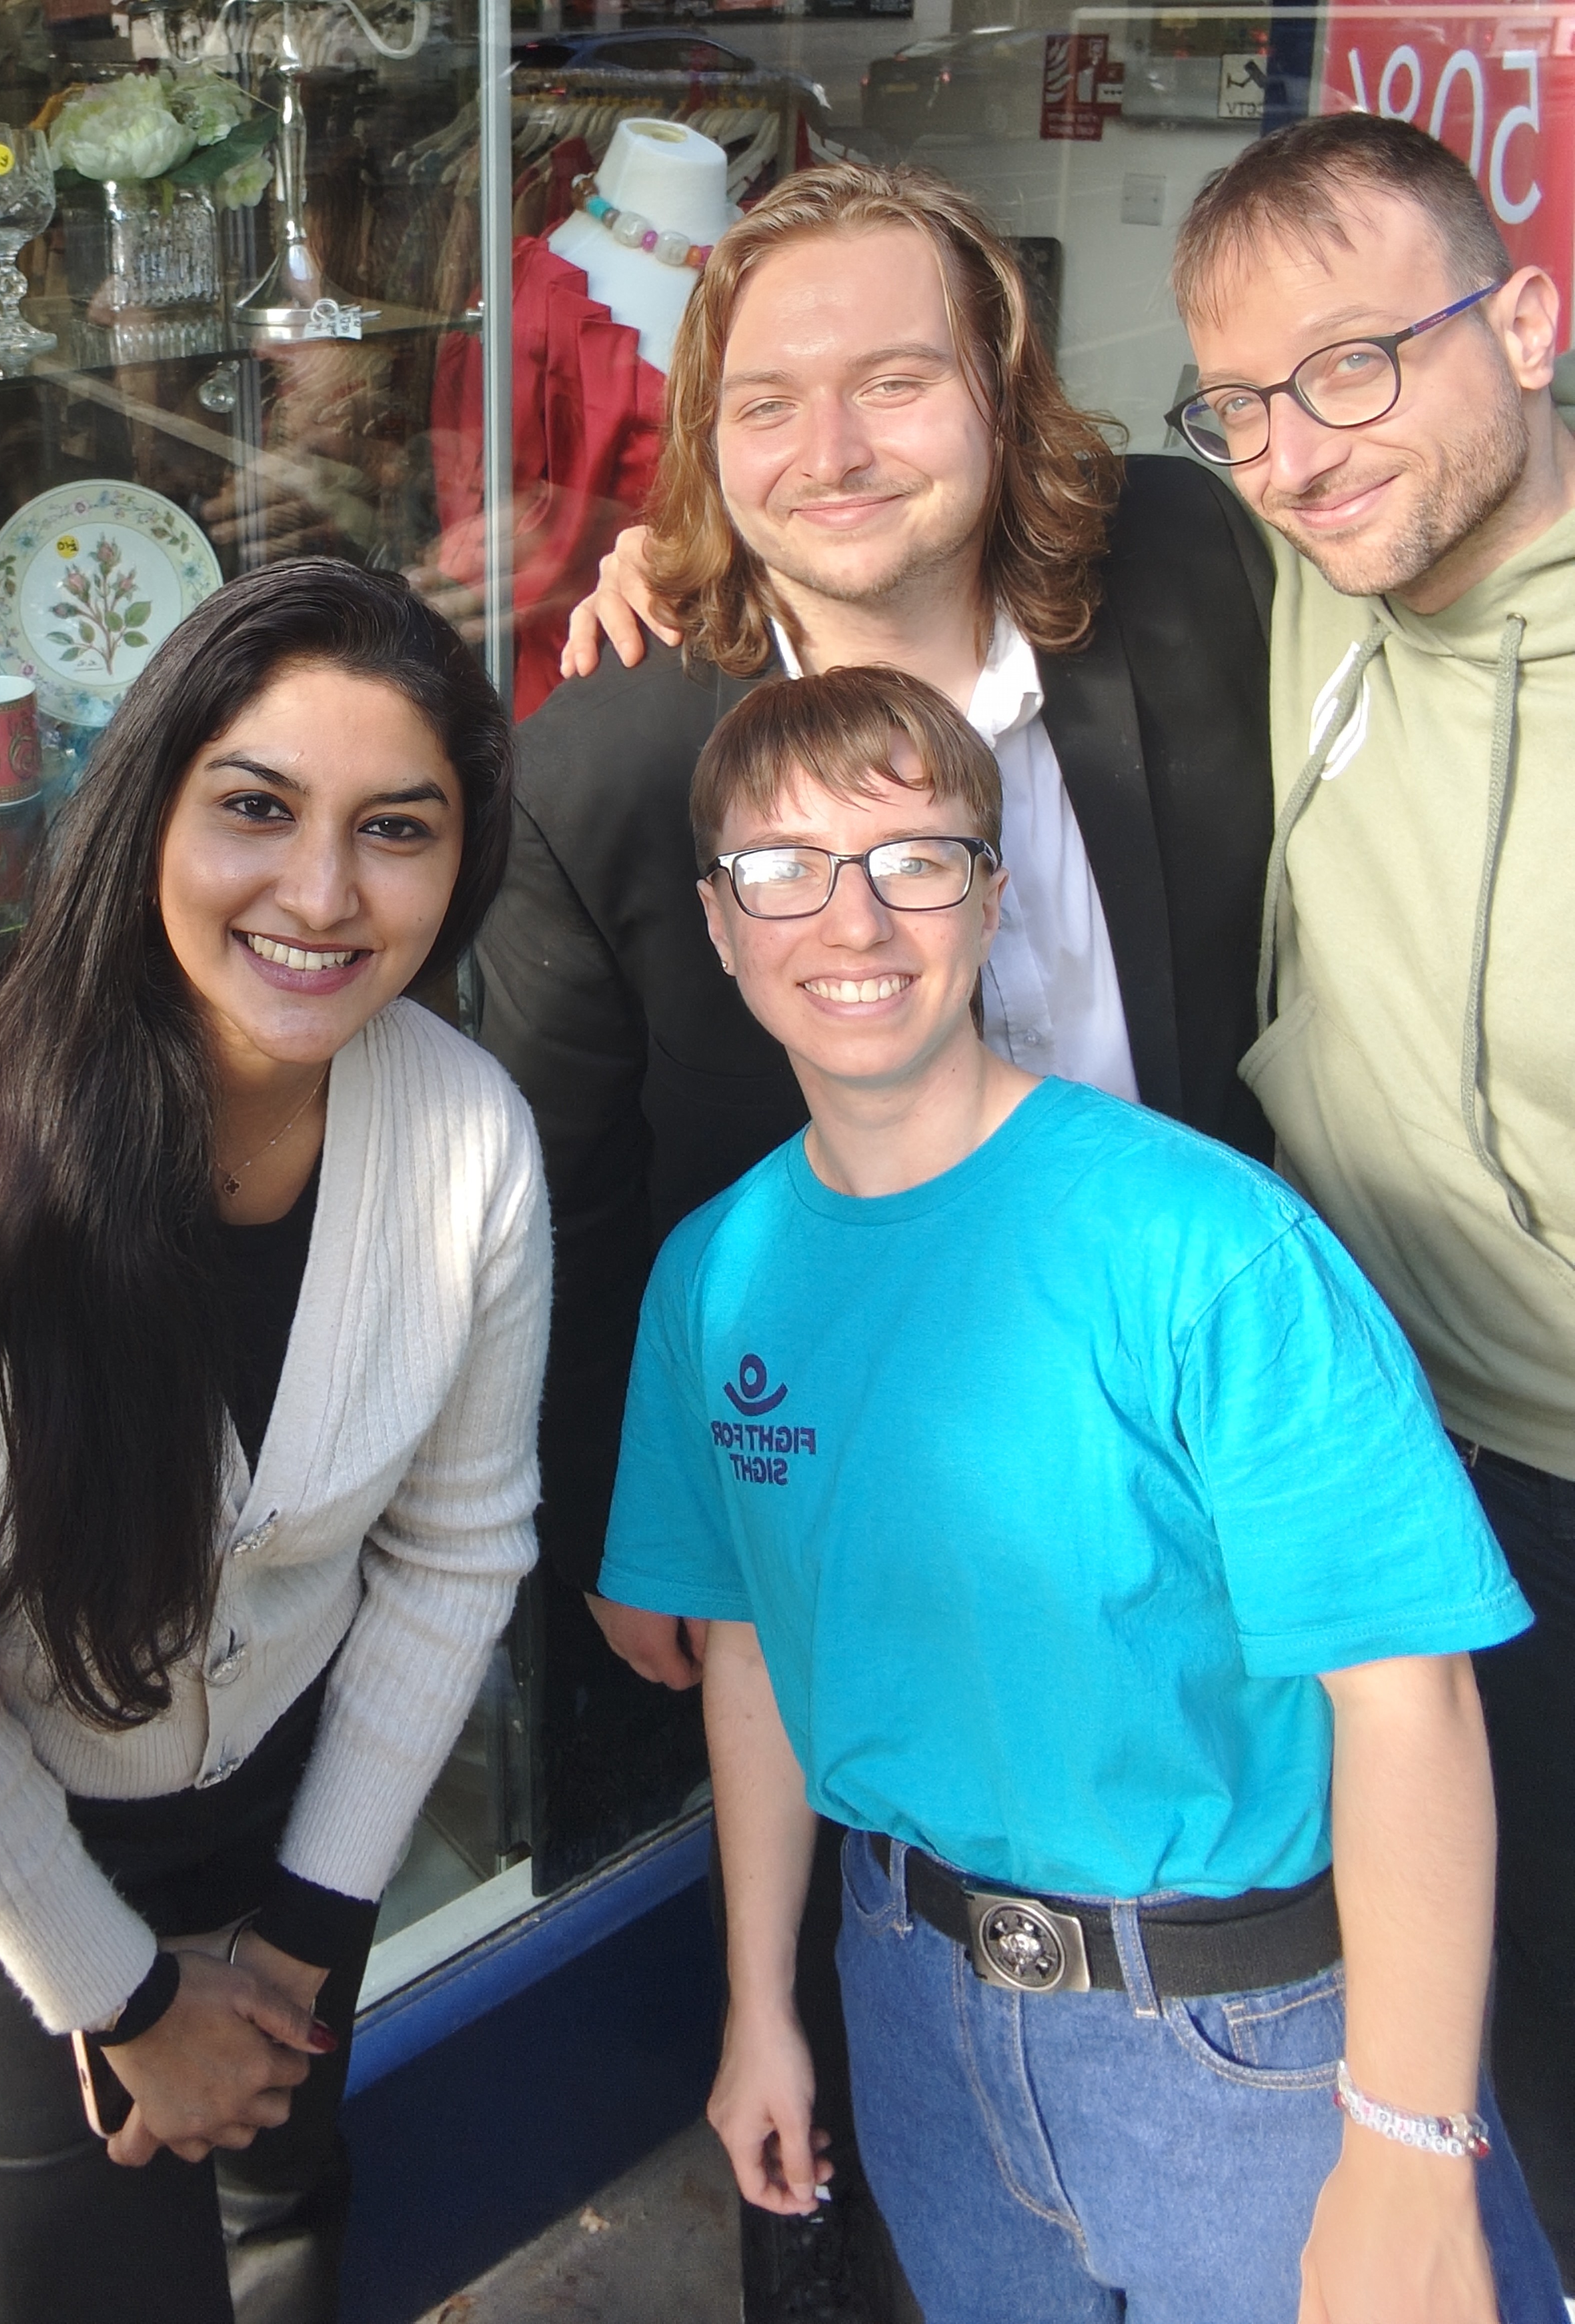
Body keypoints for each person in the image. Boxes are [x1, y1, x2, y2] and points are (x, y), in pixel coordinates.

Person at [474, 160, 1275, 2321]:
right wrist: (617, 1536)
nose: (825, 454)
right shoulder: (619, 761)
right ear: (703, 452)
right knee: (846, 2125)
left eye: (893, 382)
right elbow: (555, 1192)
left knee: (1228, 2027)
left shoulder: (1192, 576)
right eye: (765, 405)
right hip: (844, 1542)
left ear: (1005, 399)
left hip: (1201, 1473)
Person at [599, 661, 1560, 2324]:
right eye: (785, 869)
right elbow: (750, 1654)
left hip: (1244, 2036)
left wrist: (1408, 2141)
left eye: (916, 857)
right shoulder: (716, 1278)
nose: (854, 919)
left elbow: (1409, 1702)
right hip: (912, 2001)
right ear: (718, 921)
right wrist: (762, 2002)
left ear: (992, 899)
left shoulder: (1210, 1247)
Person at [0, 559, 549, 2324]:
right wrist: (125, 2001)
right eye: (255, 808)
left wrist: (312, 1924)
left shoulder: (467, 1135)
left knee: (294, 2224)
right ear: (147, 808)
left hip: (292, 1804)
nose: (322, 894)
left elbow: (460, 1548)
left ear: (462, 861)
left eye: (398, 830)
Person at [1164, 113, 1575, 2287]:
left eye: (1348, 366)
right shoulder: (1290, 578)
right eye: (1234, 402)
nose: (1290, 454)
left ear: (1520, 318)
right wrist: (689, 554)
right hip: (1381, 1464)